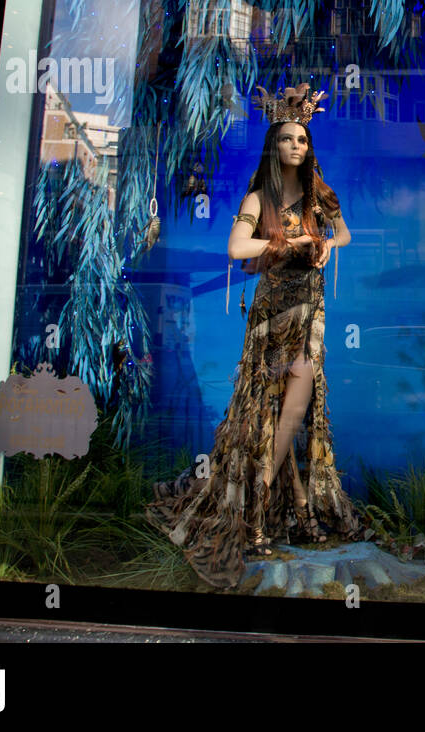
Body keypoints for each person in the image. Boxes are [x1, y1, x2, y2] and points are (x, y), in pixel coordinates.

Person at [147, 83, 359, 589]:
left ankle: (262, 494)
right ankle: (265, 509)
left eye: (302, 139)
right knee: (261, 409)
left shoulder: (319, 195)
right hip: (269, 315)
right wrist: (292, 238)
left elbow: (345, 233)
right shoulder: (258, 197)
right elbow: (236, 247)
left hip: (310, 311)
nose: (296, 146)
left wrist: (325, 239)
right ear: (274, 146)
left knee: (299, 402)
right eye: (287, 139)